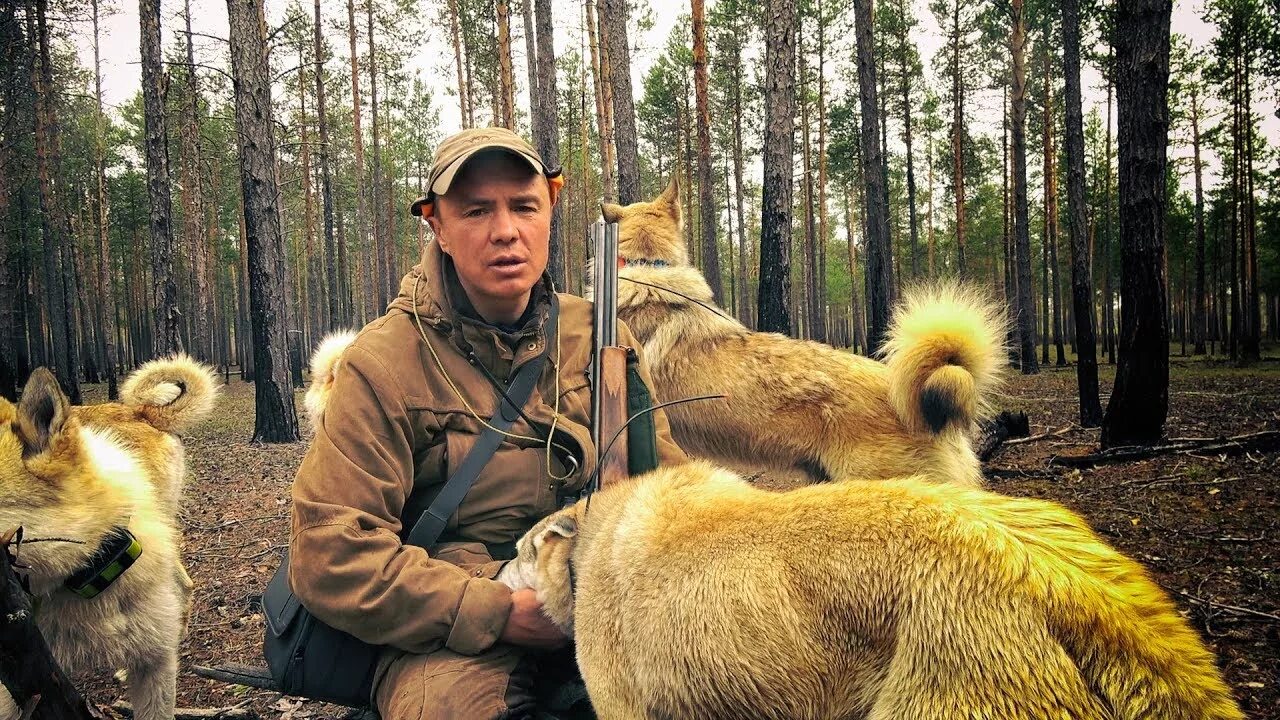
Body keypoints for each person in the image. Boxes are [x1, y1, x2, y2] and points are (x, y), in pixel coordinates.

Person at [287, 127, 686, 720]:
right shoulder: (383, 362)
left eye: (524, 206)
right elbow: (329, 551)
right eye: (476, 210)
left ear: (550, 209)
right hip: (455, 622)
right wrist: (496, 610)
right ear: (437, 227)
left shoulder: (600, 336)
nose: (506, 231)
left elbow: (671, 483)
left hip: (607, 592)